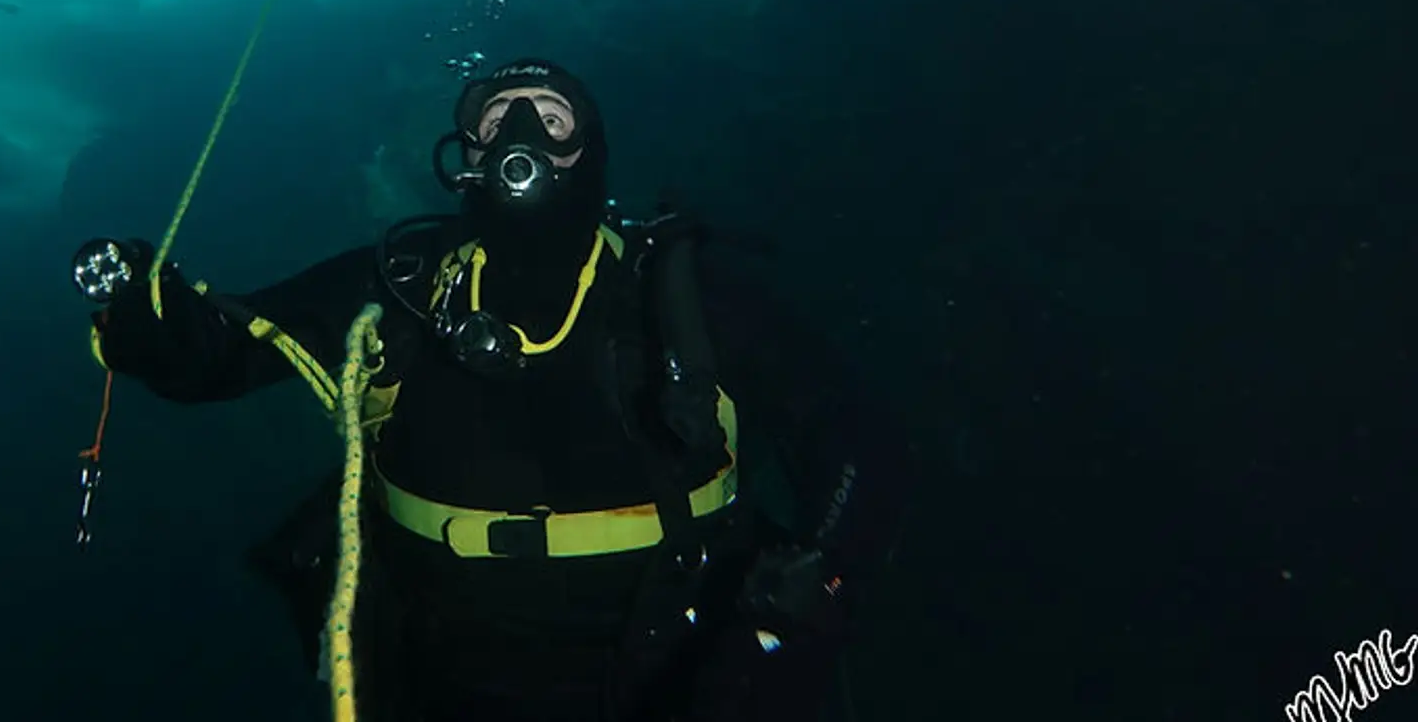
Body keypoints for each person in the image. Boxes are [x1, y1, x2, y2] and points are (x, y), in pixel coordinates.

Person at [77, 59, 910, 721]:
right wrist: (150, 322)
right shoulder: (398, 285)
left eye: (551, 117)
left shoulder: (684, 294)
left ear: (591, 151)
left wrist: (824, 568)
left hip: (683, 660)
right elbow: (225, 355)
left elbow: (850, 429)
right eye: (496, 117)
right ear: (466, 157)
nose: (520, 132)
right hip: (443, 668)